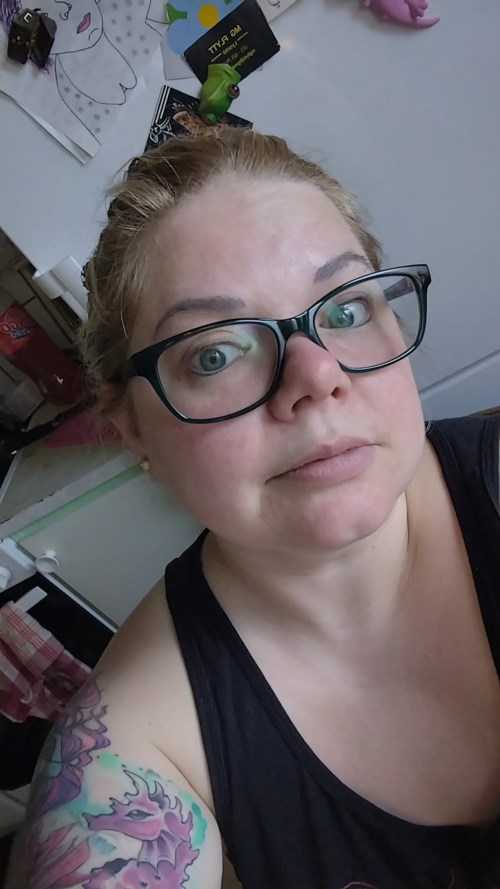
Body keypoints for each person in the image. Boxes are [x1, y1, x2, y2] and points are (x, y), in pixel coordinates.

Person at [7, 129, 500, 889]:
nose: (317, 375)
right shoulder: (135, 754)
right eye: (215, 353)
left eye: (346, 308)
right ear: (132, 427)